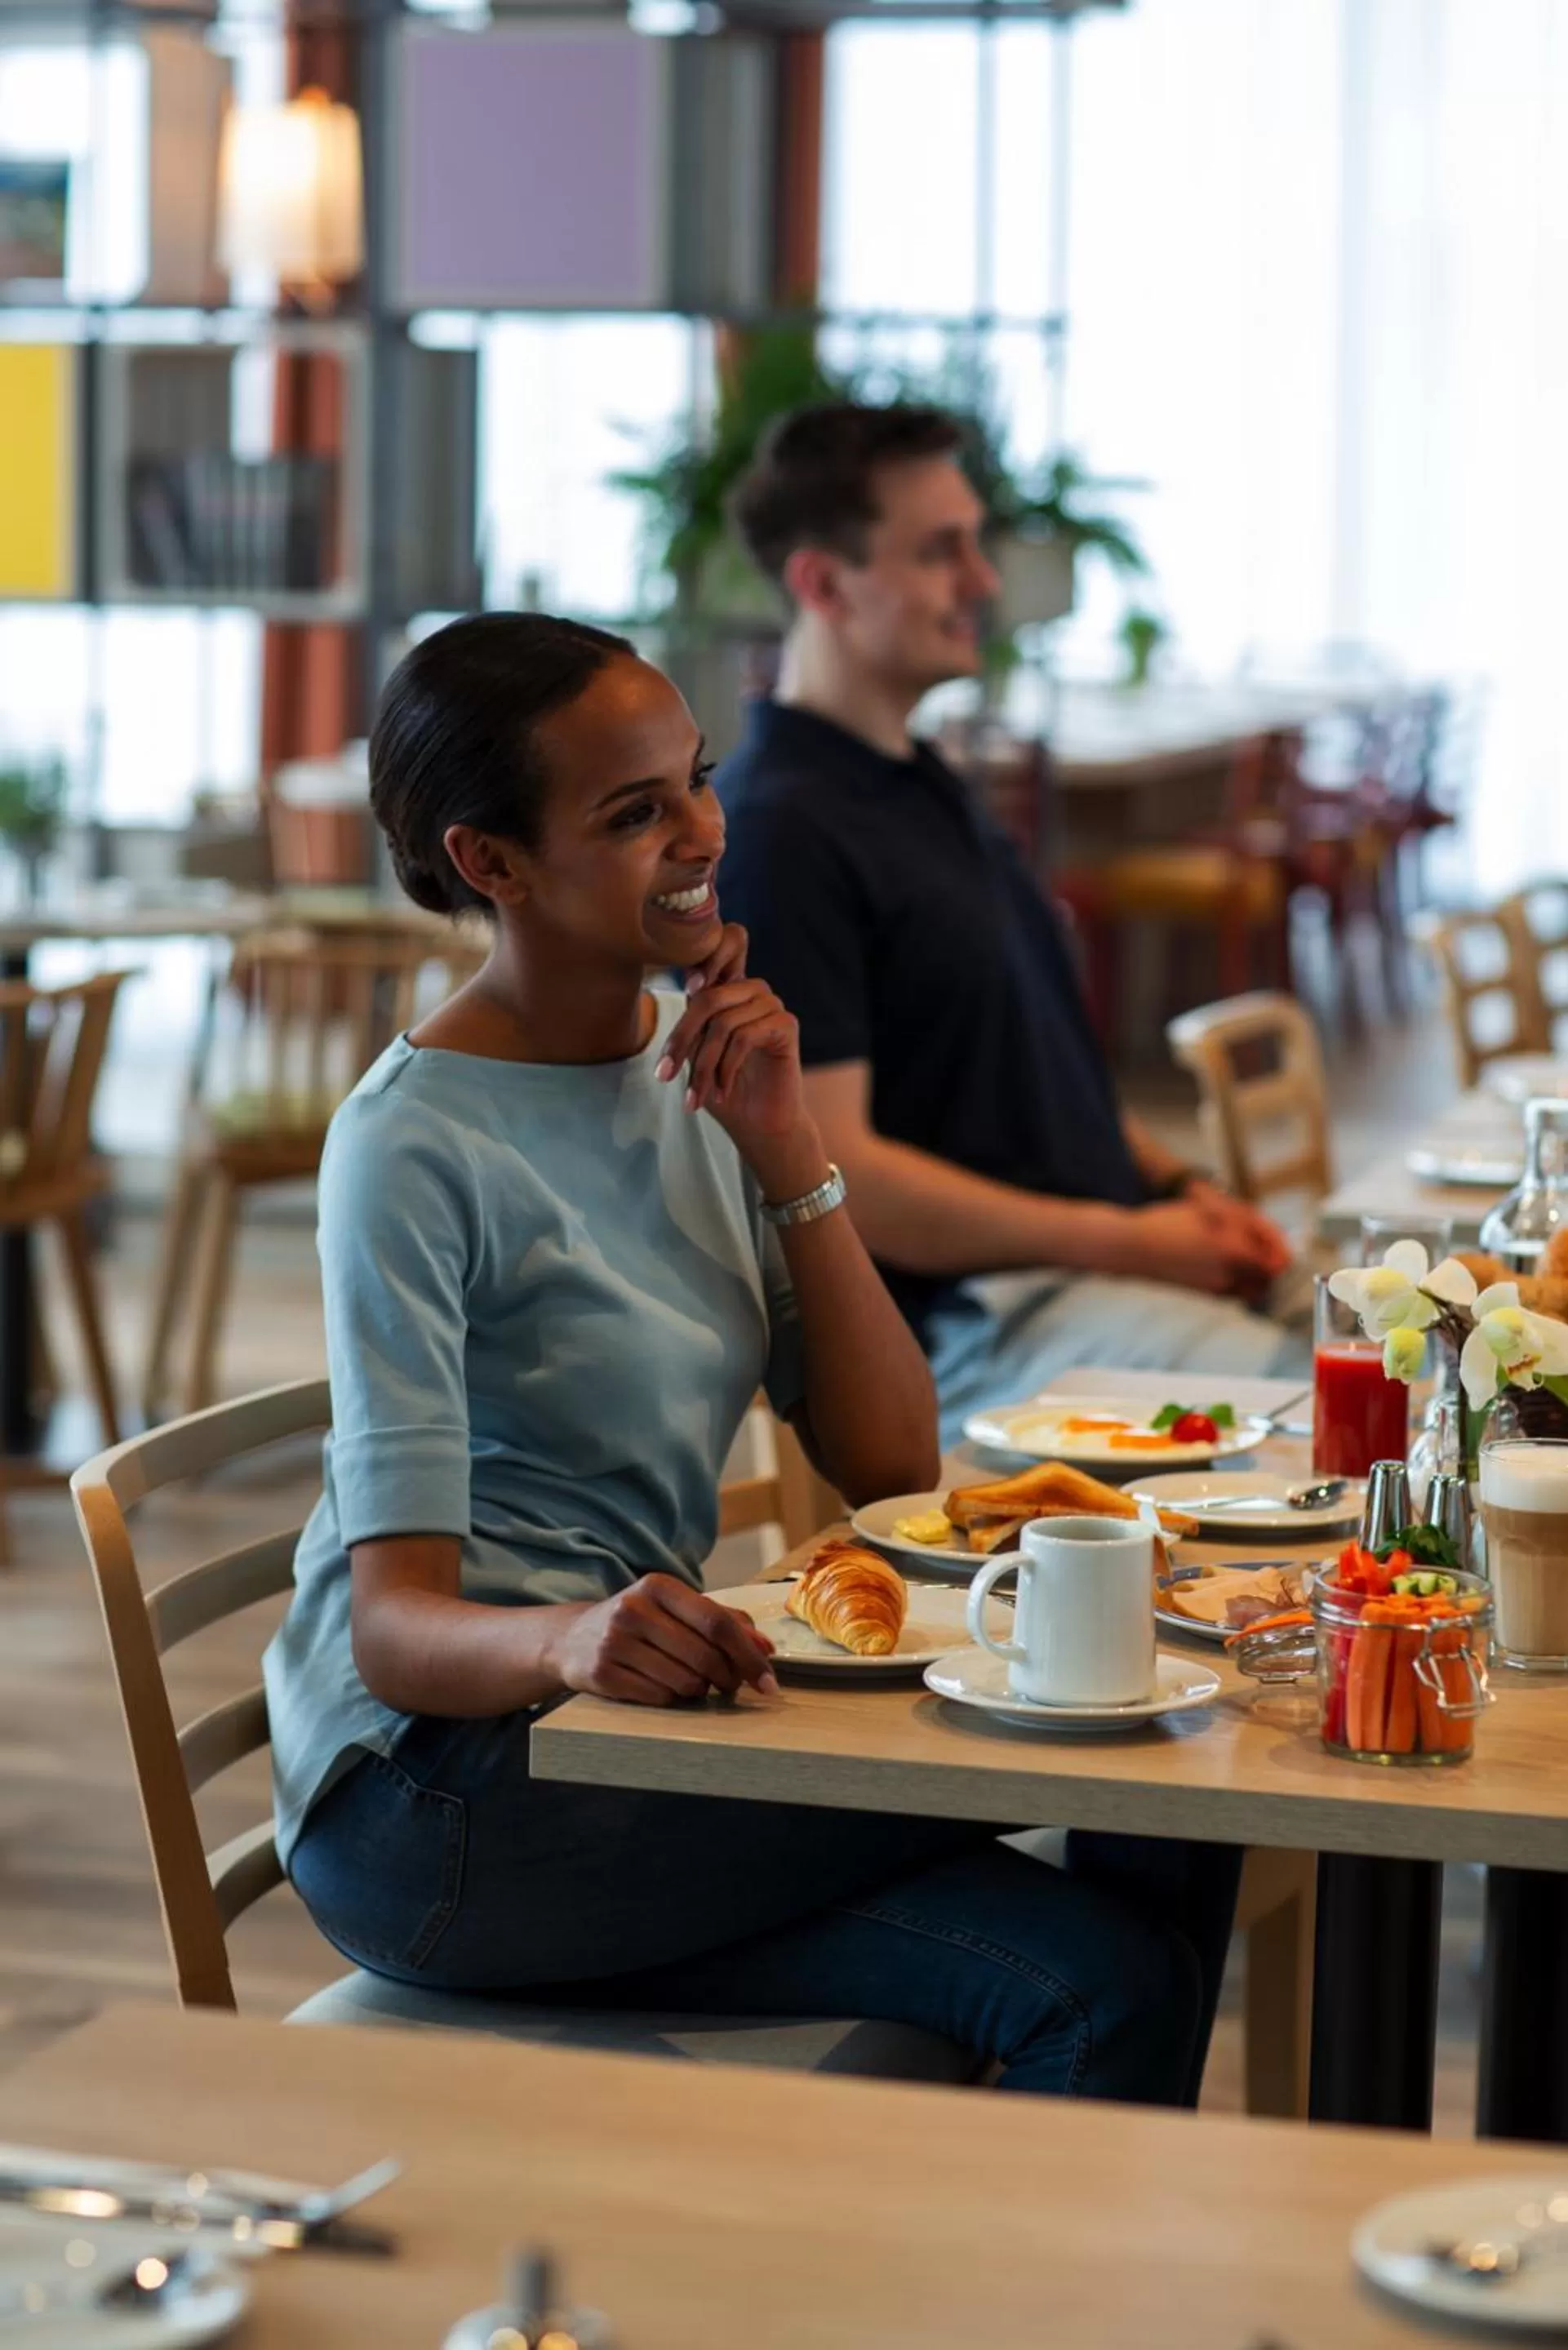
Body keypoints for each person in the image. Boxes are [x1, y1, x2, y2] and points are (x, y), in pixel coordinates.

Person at [262, 611, 1239, 2103]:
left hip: (637, 1739)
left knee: (1120, 1923)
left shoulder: (697, 1070)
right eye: (633, 810)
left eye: (696, 779)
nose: (702, 831)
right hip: (445, 1798)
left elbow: (891, 1453)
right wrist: (564, 1638)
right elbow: (394, 1629)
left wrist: (789, 1147)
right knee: (1137, 1777)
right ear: (492, 862)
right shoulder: (410, 1144)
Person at [715, 403, 1305, 1444]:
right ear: (822, 582)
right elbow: (837, 1174)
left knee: (1443, 1344)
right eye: (942, 551)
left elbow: (1026, 1069)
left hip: (1090, 1272)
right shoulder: (780, 827)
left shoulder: (916, 779)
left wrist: (1175, 1186)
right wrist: (1133, 1239)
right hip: (980, 1325)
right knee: (1358, 1408)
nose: (982, 582)